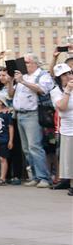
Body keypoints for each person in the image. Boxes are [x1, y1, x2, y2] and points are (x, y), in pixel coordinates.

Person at [7, 54, 54, 188]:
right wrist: (11, 81)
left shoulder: (42, 75)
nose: (24, 65)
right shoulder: (23, 76)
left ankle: (44, 177)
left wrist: (22, 81)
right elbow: (11, 94)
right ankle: (35, 176)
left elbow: (42, 90)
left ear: (35, 63)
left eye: (26, 62)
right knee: (27, 149)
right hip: (20, 114)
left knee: (35, 147)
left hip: (32, 114)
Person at [49, 63, 73, 194]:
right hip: (68, 129)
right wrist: (68, 91)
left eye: (69, 73)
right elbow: (62, 107)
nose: (68, 76)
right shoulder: (56, 91)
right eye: (64, 75)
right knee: (69, 158)